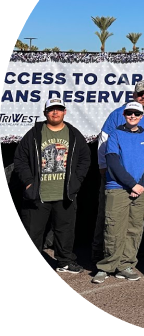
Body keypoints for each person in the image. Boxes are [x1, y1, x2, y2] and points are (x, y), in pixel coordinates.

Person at [15, 98, 91, 274]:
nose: (55, 112)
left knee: (65, 231)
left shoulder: (73, 134)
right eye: (51, 110)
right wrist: (28, 182)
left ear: (65, 111)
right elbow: (20, 159)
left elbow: (85, 159)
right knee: (33, 231)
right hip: (38, 194)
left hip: (65, 194)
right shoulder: (34, 134)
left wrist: (77, 181)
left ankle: (65, 261)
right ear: (45, 113)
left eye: (58, 109)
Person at [93, 80, 144, 262]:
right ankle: (99, 254)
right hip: (116, 178)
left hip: (143, 178)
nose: (143, 97)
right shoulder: (118, 114)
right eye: (140, 93)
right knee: (108, 218)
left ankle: (127, 259)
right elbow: (104, 140)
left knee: (135, 222)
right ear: (134, 94)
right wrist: (103, 166)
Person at [92, 102, 144, 283]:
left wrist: (141, 185)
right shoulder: (115, 135)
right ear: (125, 114)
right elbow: (112, 162)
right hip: (118, 188)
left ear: (141, 116)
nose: (133, 116)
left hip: (142, 189)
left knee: (135, 228)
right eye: (129, 113)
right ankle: (106, 266)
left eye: (136, 113)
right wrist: (131, 184)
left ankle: (125, 265)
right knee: (113, 228)